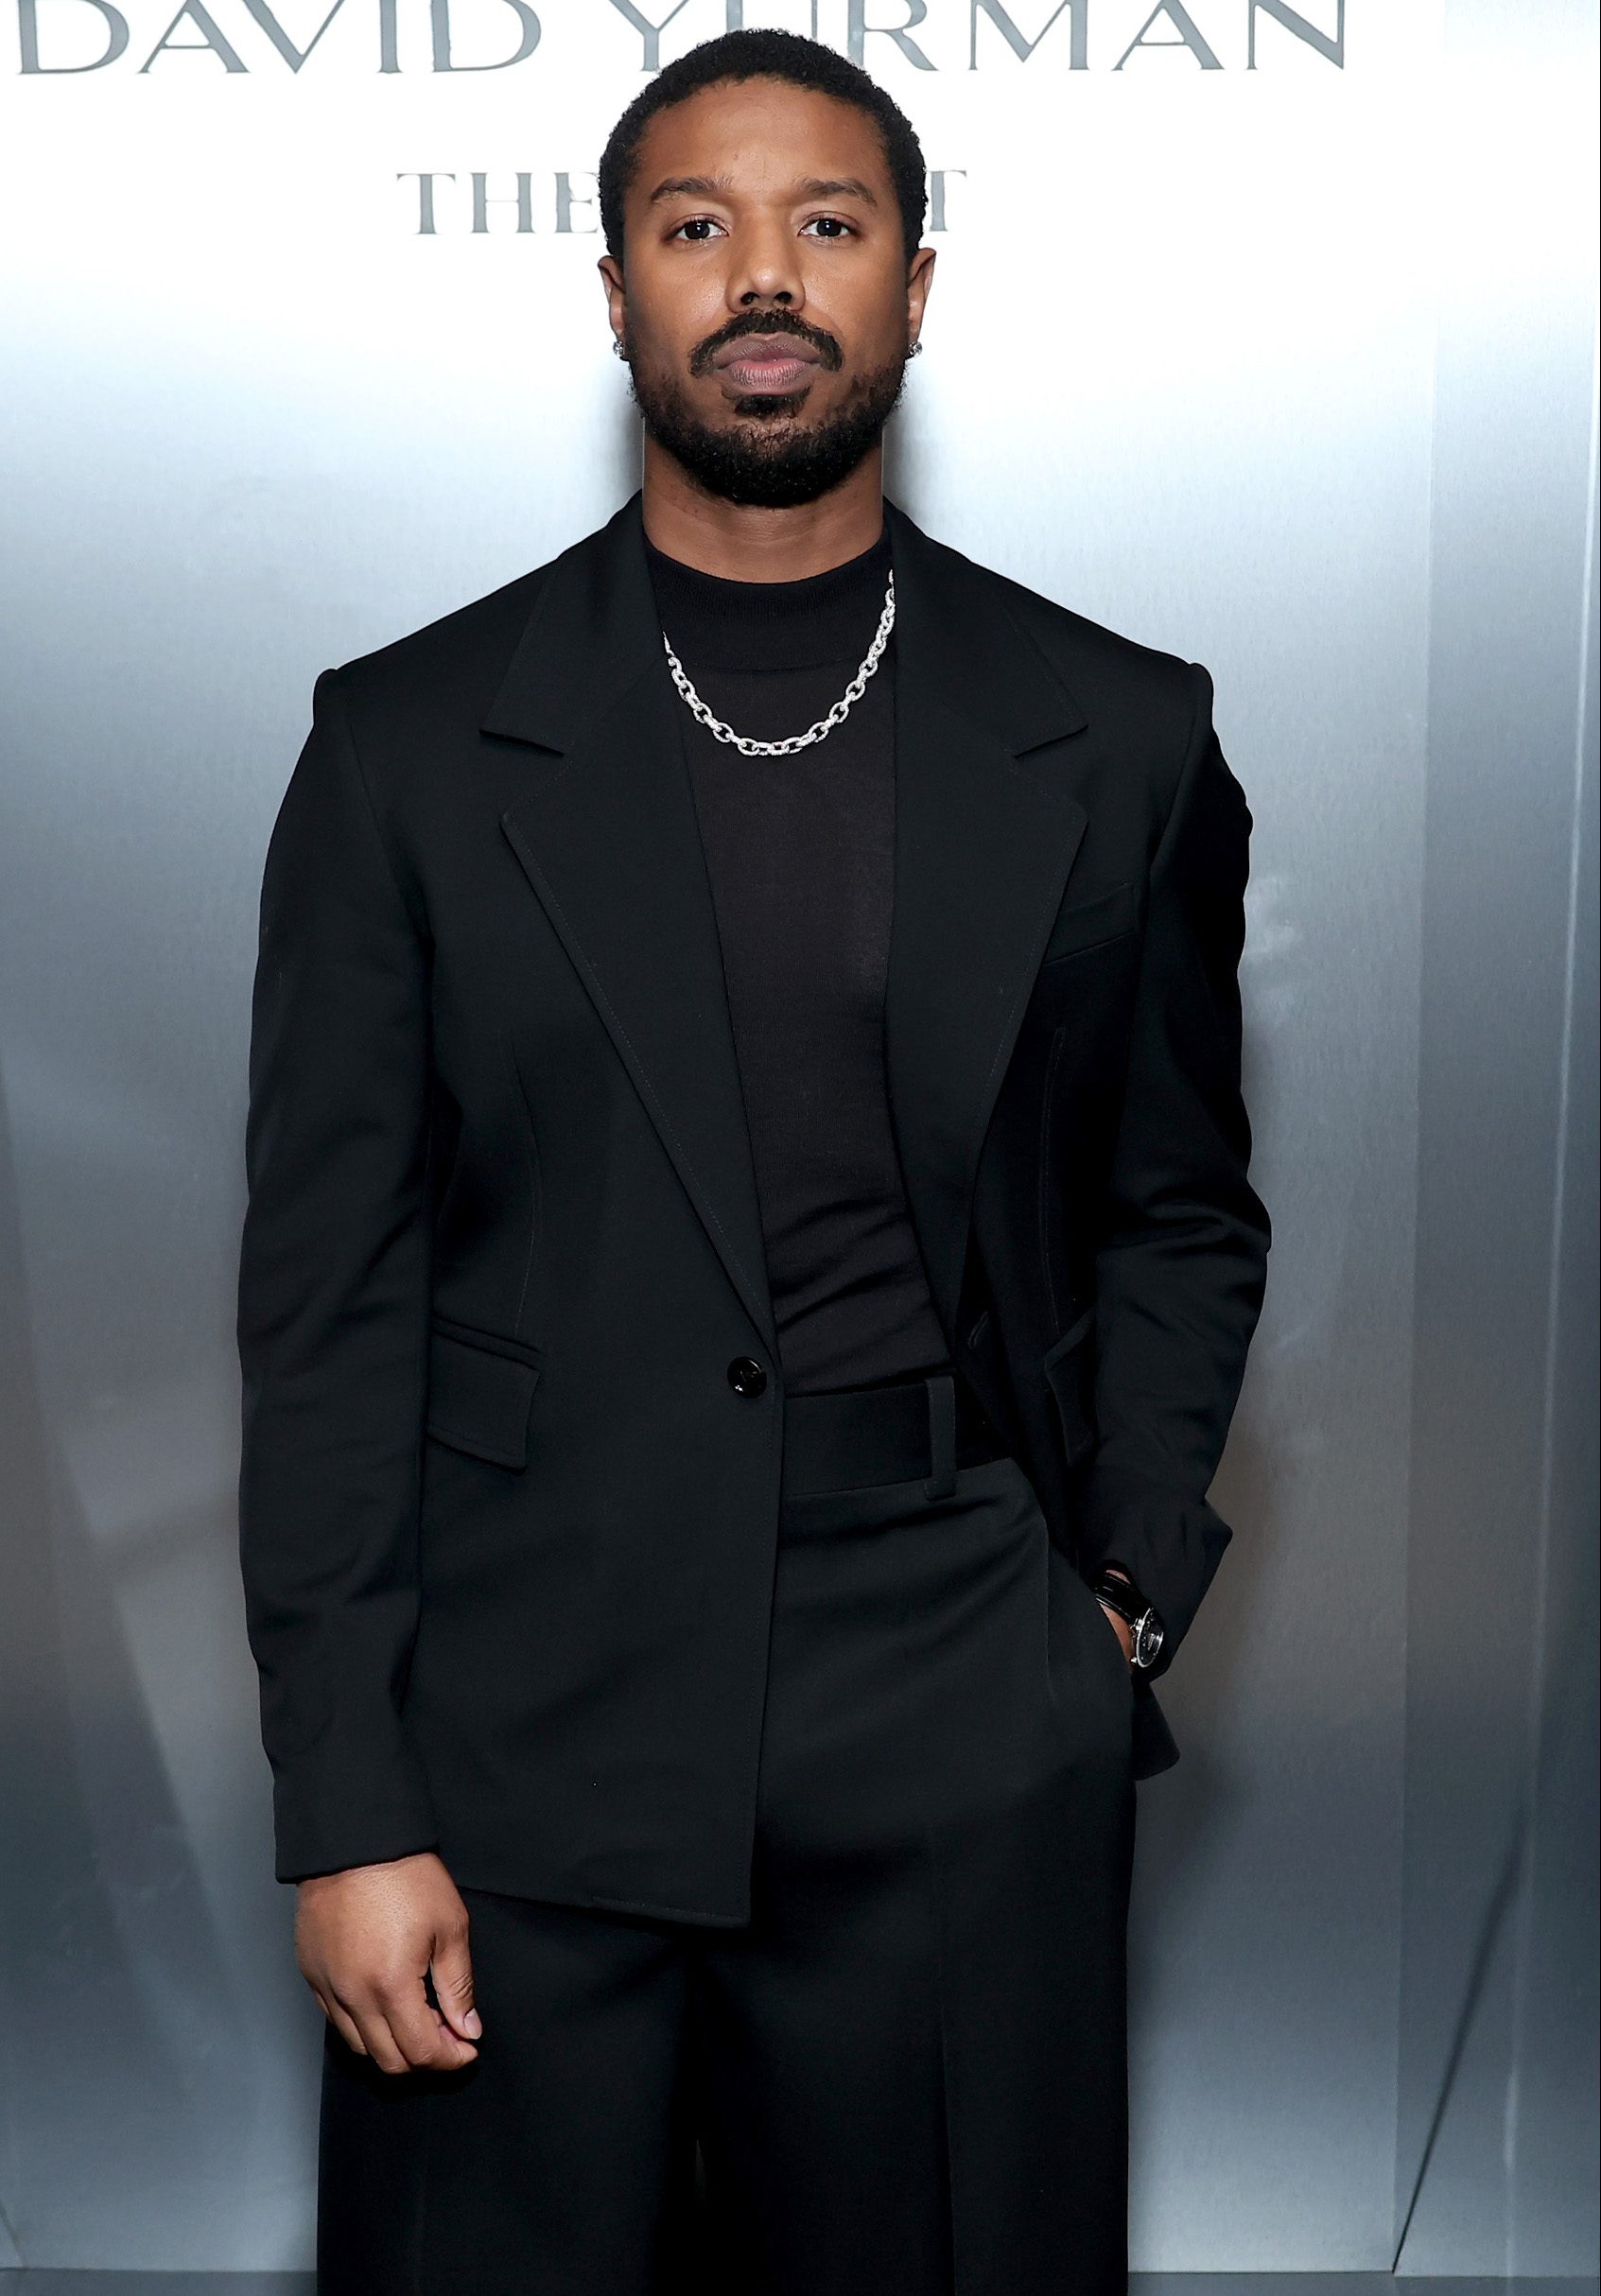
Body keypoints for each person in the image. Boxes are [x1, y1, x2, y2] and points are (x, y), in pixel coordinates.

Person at [235, 27, 1269, 2294]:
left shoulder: (1117, 734)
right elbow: (326, 1312)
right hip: (519, 1729)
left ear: (916, 283)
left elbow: (1175, 1204)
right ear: (614, 291)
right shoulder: (406, 746)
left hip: (956, 1706)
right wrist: (347, 1802)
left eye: (827, 222)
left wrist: (1108, 1598)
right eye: (696, 227)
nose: (762, 276)